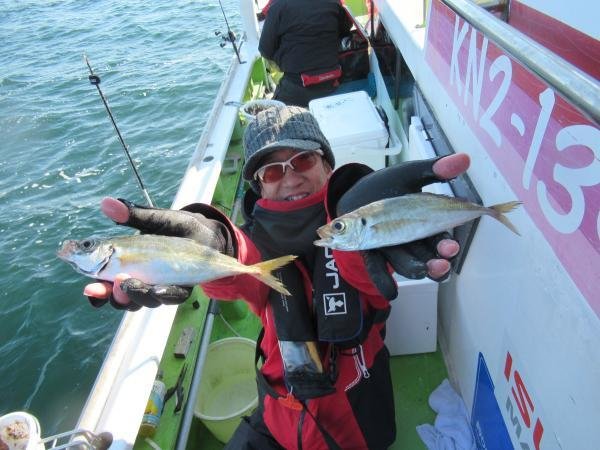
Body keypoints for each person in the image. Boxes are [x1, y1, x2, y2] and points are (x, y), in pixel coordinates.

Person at [85, 105, 470, 449]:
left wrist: (370, 229)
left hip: (354, 416)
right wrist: (213, 249)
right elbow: (240, 271)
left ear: (327, 165)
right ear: (260, 186)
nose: (290, 178)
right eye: (272, 170)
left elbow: (368, 281)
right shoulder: (253, 243)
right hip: (277, 413)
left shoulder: (359, 226)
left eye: (303, 160)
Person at [257, 0, 353, 107]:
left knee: (275, 112)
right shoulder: (334, 3)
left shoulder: (278, 7)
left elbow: (265, 49)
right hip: (332, 82)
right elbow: (346, 30)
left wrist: (281, 61)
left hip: (296, 87)